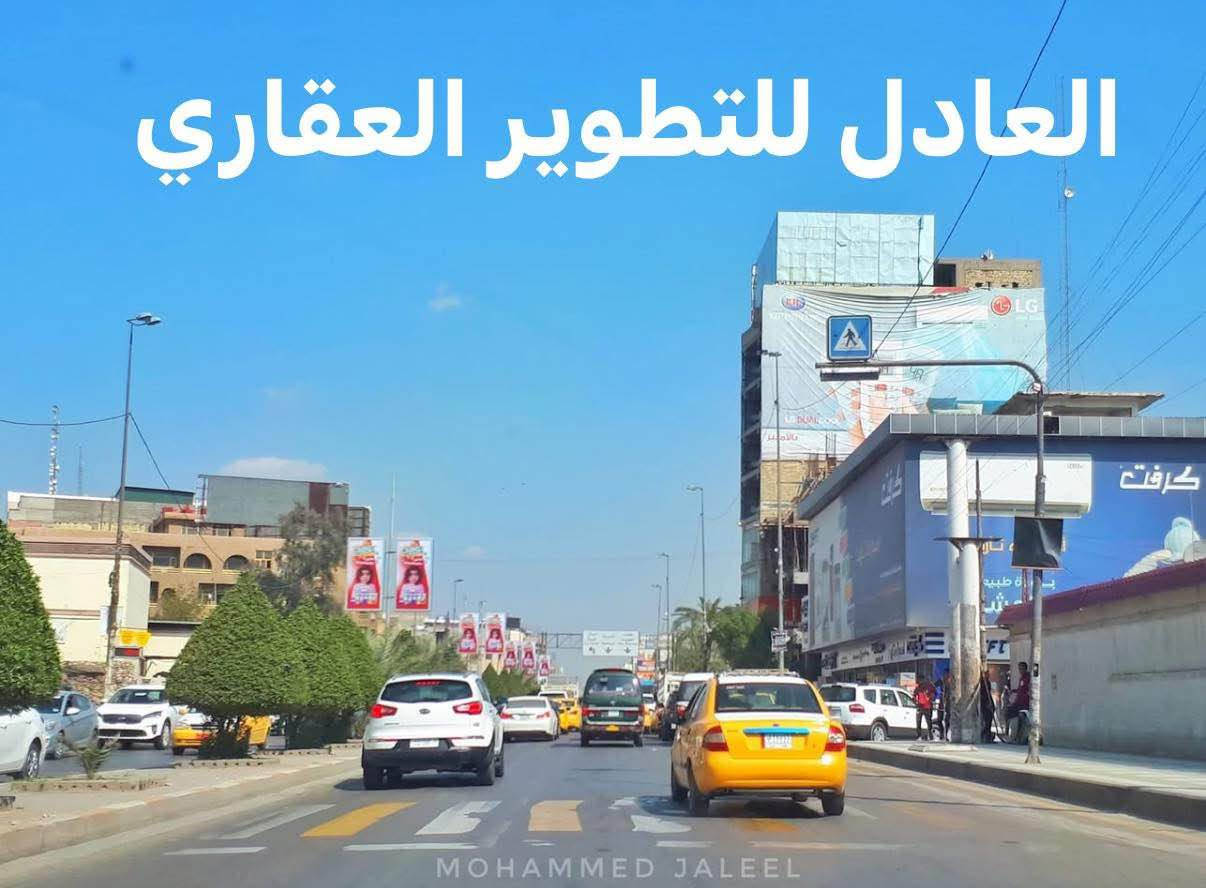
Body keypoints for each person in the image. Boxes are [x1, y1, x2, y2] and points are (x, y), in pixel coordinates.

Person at [1006, 662, 1031, 740]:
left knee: (1019, 716)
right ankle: (1009, 733)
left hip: (1024, 703)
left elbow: (1027, 689)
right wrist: (1013, 691)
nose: (1020, 670)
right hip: (1019, 701)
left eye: (1022, 669)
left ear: (1025, 669)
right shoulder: (1022, 678)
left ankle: (1018, 736)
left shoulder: (1028, 678)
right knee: (1008, 712)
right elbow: (1020, 689)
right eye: (1019, 669)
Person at [914, 675, 936, 740]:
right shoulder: (918, 687)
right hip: (920, 707)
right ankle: (919, 735)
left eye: (920, 680)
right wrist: (916, 703)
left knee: (929, 722)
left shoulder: (930, 686)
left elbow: (934, 695)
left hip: (927, 707)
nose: (919, 681)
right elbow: (914, 696)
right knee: (918, 722)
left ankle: (930, 736)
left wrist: (931, 699)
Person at [978, 668, 996, 742]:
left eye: (988, 674)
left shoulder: (987, 682)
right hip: (985, 703)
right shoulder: (982, 682)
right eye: (986, 674)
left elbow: (988, 693)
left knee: (988, 720)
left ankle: (987, 735)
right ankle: (984, 734)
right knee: (986, 721)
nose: (988, 675)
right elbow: (983, 694)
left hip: (988, 703)